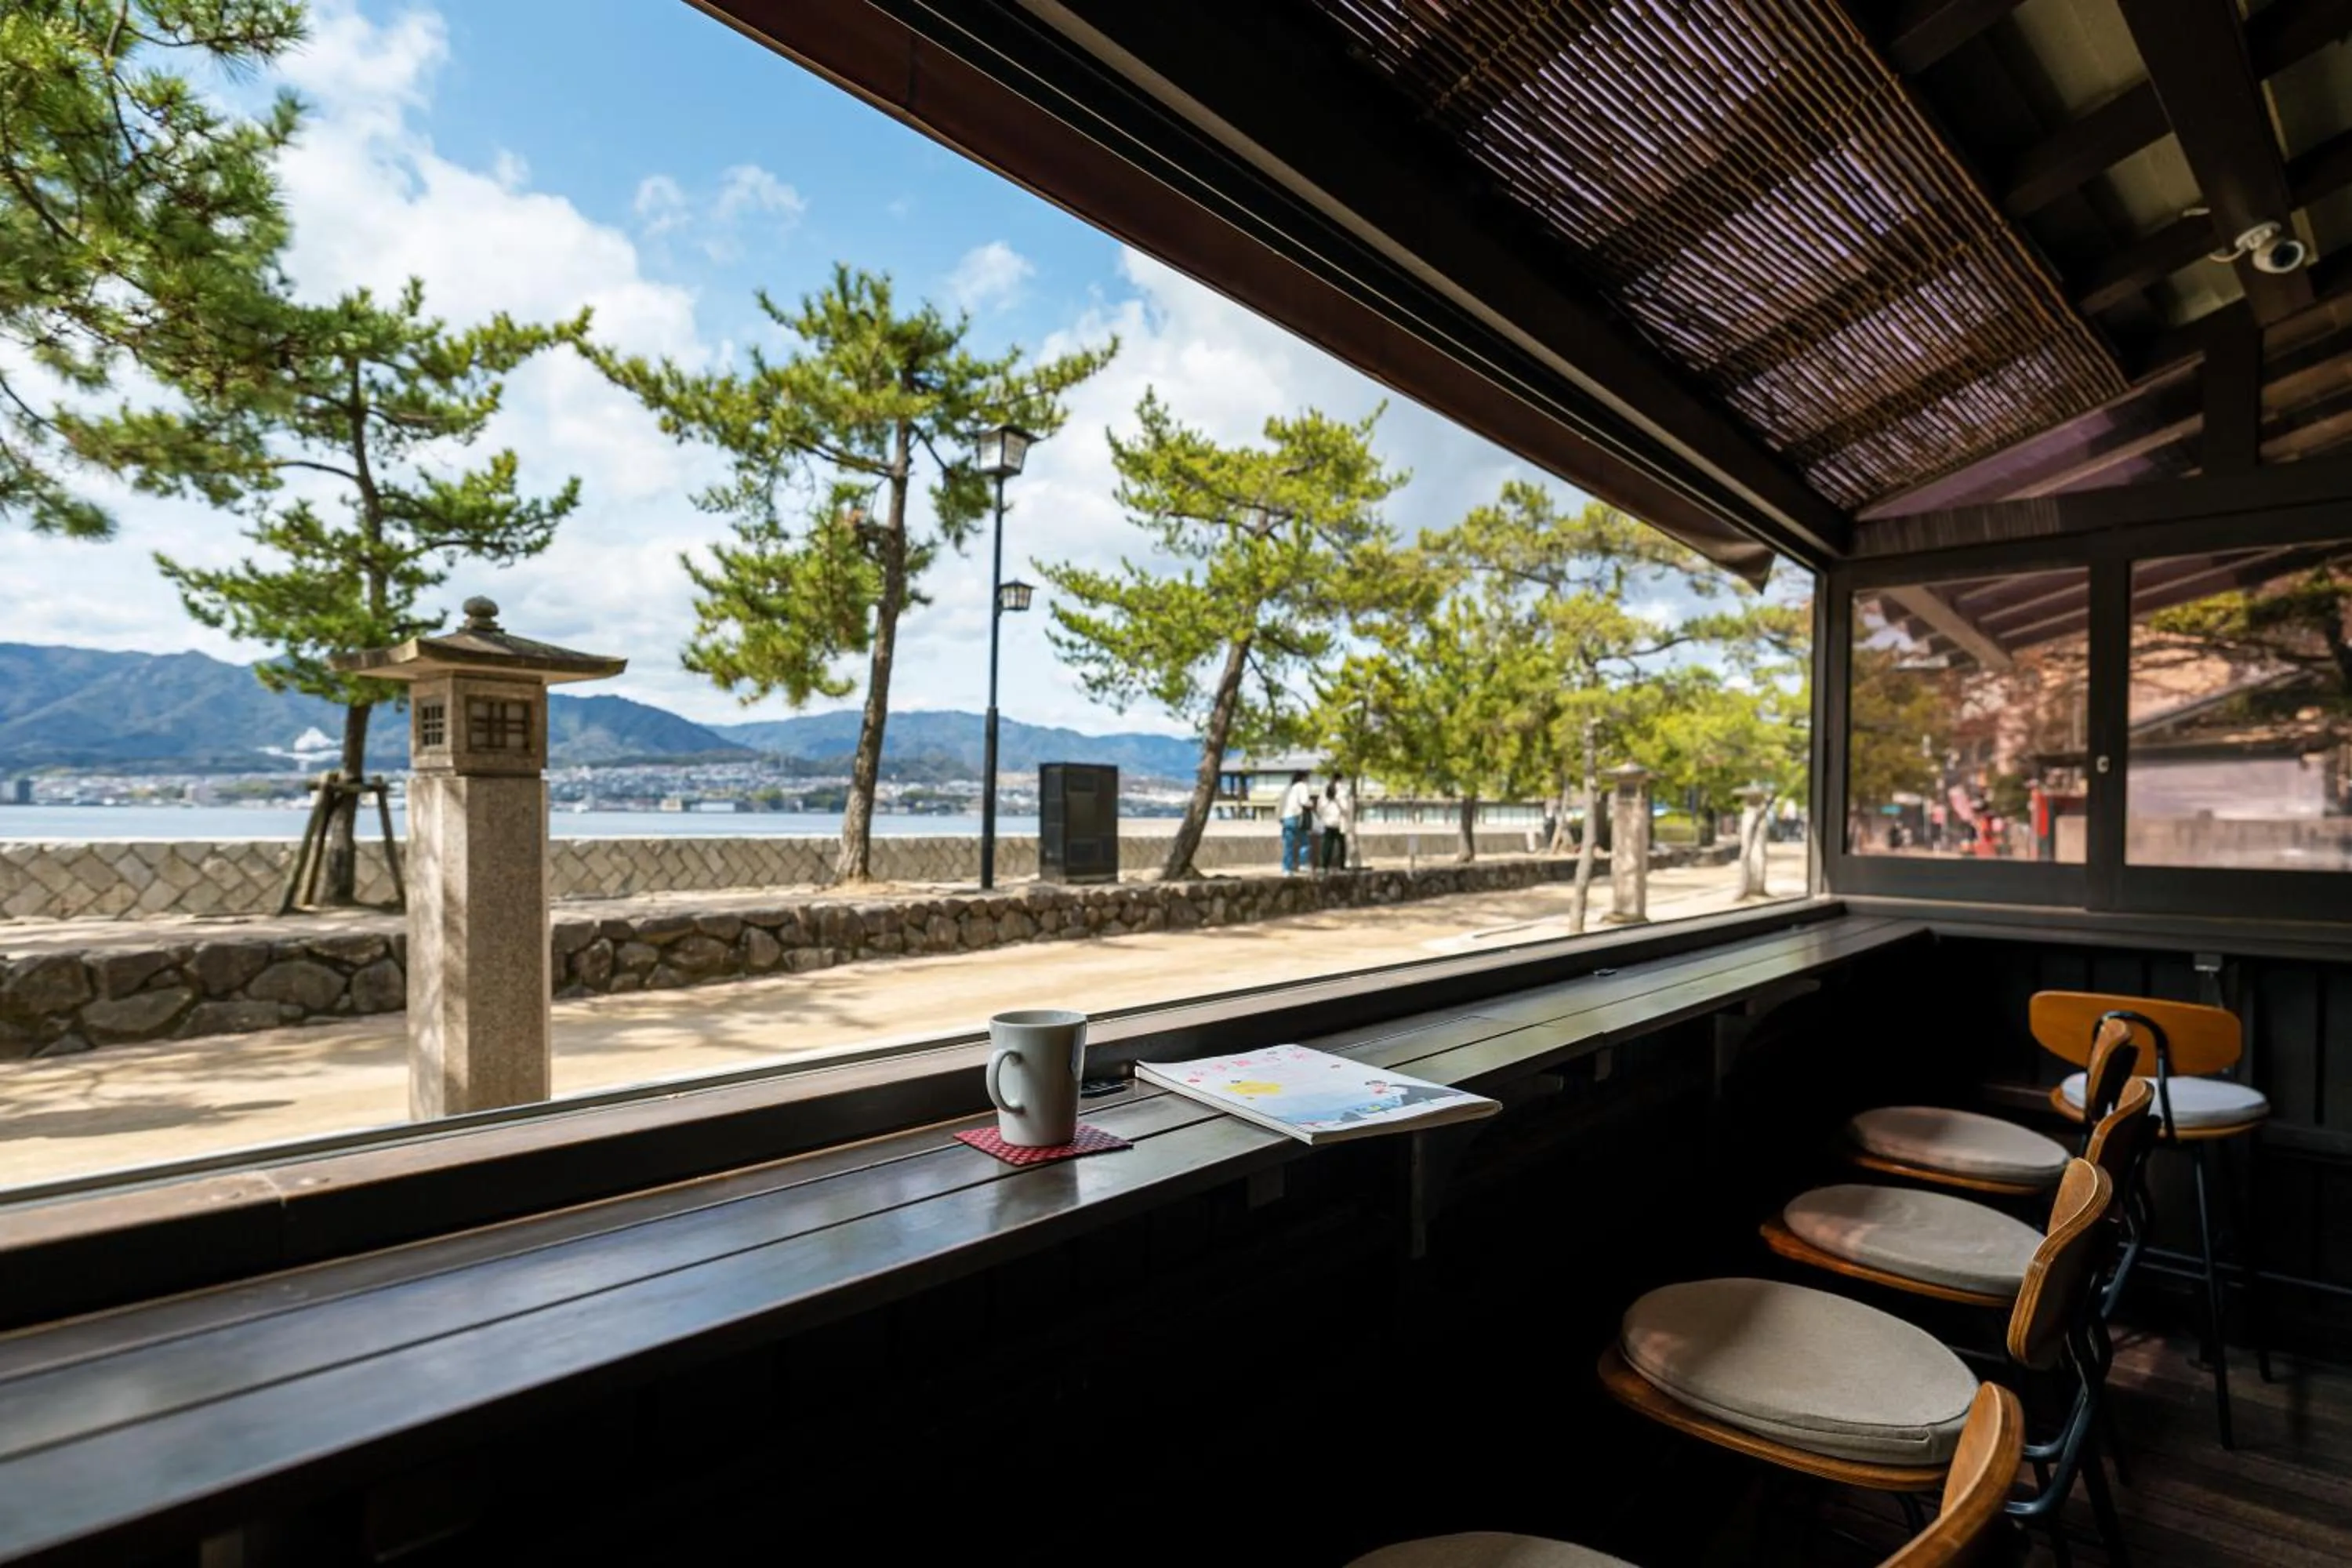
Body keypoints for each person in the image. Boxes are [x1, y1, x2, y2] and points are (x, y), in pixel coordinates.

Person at [1277, 770, 1314, 874]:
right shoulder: (1302, 786)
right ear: (1304, 778)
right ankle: (1303, 864)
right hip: (1297, 817)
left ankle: (1286, 868)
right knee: (1305, 842)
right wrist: (1311, 804)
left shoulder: (1290, 788)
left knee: (1288, 844)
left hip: (1286, 817)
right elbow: (1304, 802)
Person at [1316, 778, 1350, 873]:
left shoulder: (1324, 792)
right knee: (1341, 845)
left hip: (1327, 821)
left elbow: (1319, 809)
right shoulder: (1342, 792)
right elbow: (1346, 808)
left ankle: (1324, 866)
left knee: (1327, 844)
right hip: (1339, 822)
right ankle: (1341, 866)